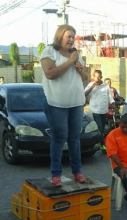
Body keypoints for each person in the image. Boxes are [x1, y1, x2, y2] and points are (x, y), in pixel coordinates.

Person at [40, 25, 88, 187]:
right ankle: (56, 174)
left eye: (73, 37)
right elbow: (50, 74)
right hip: (56, 103)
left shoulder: (75, 54)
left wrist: (80, 69)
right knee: (59, 138)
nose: (71, 39)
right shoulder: (49, 51)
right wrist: (70, 62)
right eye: (68, 36)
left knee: (74, 138)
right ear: (60, 36)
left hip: (76, 102)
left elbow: (84, 78)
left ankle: (77, 171)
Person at [85, 70, 116, 152]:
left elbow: (110, 97)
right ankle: (102, 145)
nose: (97, 79)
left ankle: (99, 142)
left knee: (102, 128)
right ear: (93, 76)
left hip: (104, 110)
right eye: (95, 77)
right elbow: (84, 93)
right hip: (95, 110)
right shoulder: (91, 85)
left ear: (101, 77)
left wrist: (113, 104)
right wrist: (92, 87)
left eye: (99, 77)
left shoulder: (106, 85)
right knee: (100, 128)